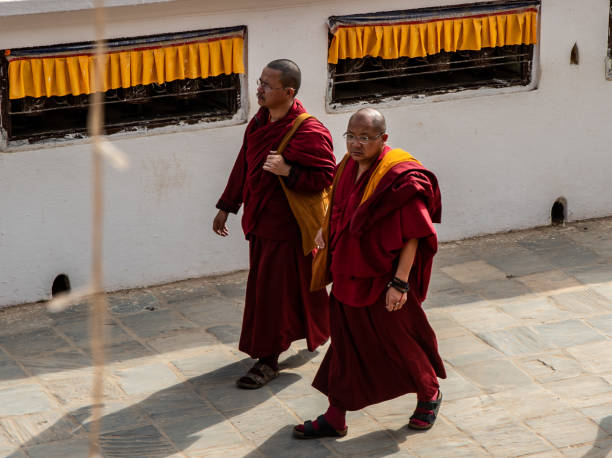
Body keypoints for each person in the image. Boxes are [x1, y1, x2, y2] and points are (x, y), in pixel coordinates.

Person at [294, 108, 446, 438]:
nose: (356, 144)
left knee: (400, 342)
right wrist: (325, 230)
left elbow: (415, 234)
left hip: (382, 279)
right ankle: (336, 417)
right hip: (349, 273)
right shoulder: (347, 166)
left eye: (365, 138)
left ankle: (429, 392)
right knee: (345, 346)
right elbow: (337, 206)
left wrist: (399, 283)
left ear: (383, 139)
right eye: (351, 136)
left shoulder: (398, 177)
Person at [212, 59, 335, 389]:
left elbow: (326, 176)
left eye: (267, 85)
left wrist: (288, 172)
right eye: (260, 82)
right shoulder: (261, 121)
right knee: (299, 288)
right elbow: (244, 162)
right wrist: (228, 205)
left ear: (289, 92)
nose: (260, 89)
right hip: (262, 222)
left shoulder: (309, 131)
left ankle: (267, 359)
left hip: (289, 227)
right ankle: (321, 329)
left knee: (271, 294)